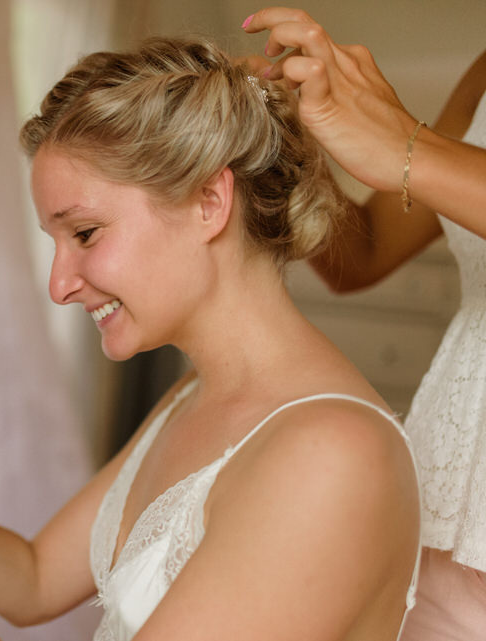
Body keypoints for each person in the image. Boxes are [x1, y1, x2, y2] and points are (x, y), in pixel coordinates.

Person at [0, 35, 422, 641]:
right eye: (55, 244)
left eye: (86, 234)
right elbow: (29, 578)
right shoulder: (199, 396)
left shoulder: (332, 455)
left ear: (209, 203)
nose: (60, 285)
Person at [242, 8, 486, 639]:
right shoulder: (484, 73)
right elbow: (364, 252)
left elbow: (406, 158)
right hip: (448, 508)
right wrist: (283, 144)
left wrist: (406, 141)